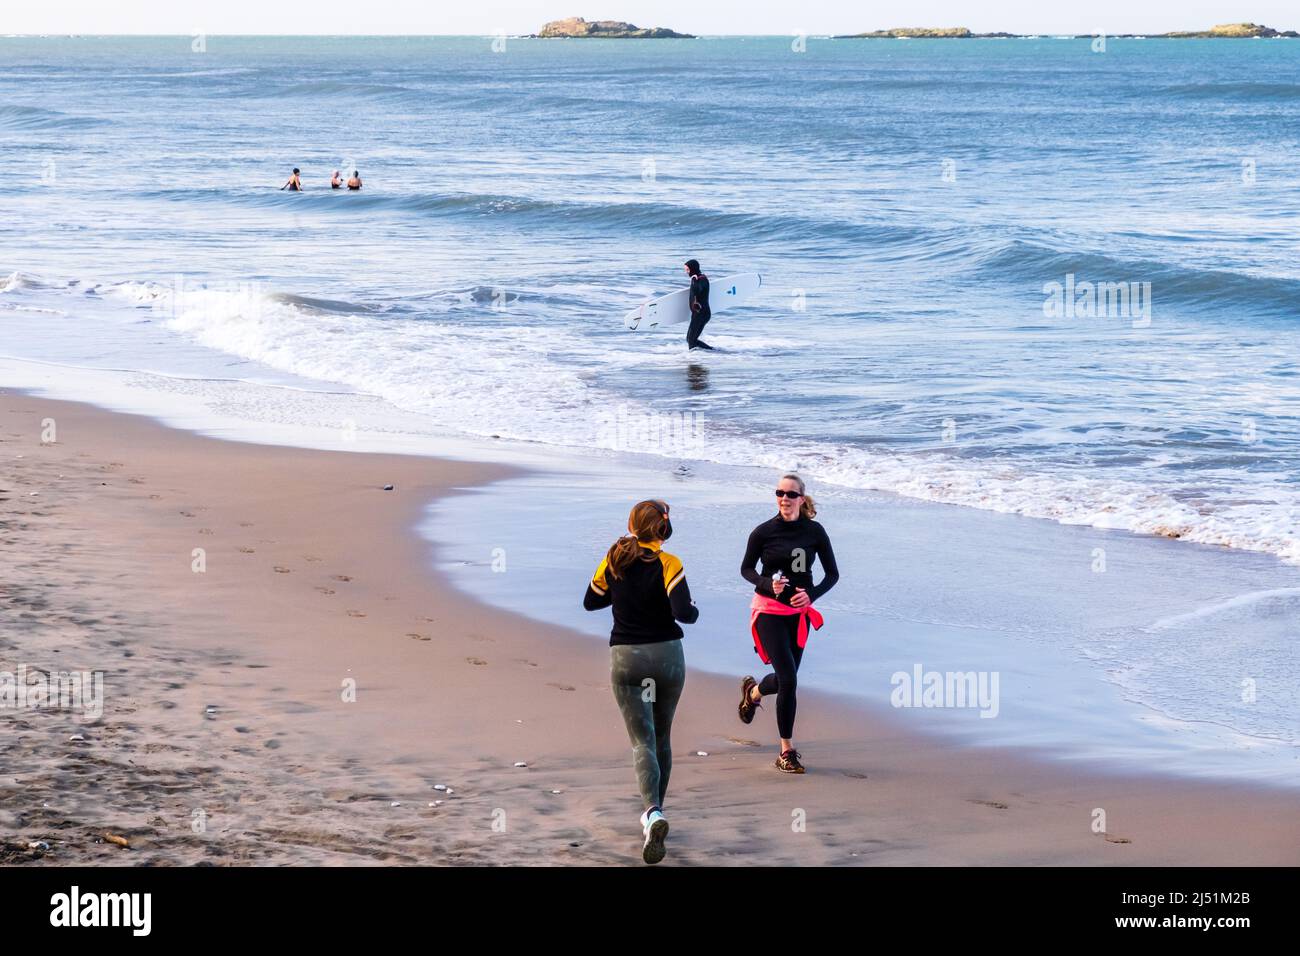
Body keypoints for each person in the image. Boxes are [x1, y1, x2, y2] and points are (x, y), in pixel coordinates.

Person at [583, 499, 698, 864]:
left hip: (627, 658)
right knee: (661, 737)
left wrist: (623, 594)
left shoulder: (615, 558)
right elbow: (684, 613)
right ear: (664, 528)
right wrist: (692, 609)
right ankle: (655, 814)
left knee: (641, 742)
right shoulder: (670, 563)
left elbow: (590, 601)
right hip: (666, 657)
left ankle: (653, 813)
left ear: (632, 523)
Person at [737, 473, 839, 774]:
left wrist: (812, 596)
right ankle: (786, 751)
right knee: (790, 680)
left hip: (798, 616)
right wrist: (768, 583)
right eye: (779, 492)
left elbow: (832, 574)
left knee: (786, 678)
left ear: (801, 498)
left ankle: (753, 693)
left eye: (791, 494)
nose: (784, 498)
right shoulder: (763, 532)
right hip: (768, 610)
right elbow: (746, 569)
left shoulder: (815, 532)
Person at [684, 259, 712, 351]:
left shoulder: (701, 279)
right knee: (690, 339)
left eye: (687, 270)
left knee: (691, 340)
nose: (686, 272)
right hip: (697, 314)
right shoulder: (696, 278)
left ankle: (695, 359)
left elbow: (699, 289)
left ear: (693, 269)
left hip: (702, 314)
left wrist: (695, 282)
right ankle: (710, 352)